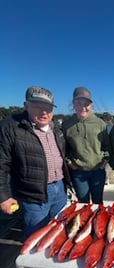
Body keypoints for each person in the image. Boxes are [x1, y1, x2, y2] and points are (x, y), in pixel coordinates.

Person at [0, 86, 71, 239]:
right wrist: (3, 197)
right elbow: (1, 164)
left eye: (48, 107)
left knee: (60, 231)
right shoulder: (11, 127)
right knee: (36, 235)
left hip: (59, 189)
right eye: (38, 106)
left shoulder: (56, 128)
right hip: (34, 195)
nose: (44, 112)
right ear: (26, 106)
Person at [62, 86, 110, 204]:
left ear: (91, 105)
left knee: (98, 204)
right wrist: (69, 162)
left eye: (86, 104)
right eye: (79, 103)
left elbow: (107, 146)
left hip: (98, 171)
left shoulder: (100, 123)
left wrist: (104, 162)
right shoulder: (66, 125)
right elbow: (63, 148)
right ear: (73, 104)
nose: (83, 107)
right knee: (83, 204)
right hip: (78, 172)